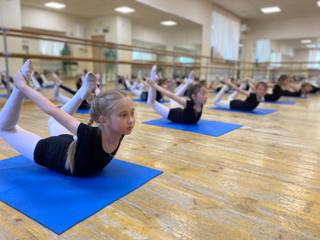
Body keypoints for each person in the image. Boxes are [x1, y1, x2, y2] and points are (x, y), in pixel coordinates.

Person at [0, 59, 135, 177]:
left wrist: (96, 90)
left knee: (53, 121)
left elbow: (105, 106)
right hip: (52, 151)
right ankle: (18, 89)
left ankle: (82, 92)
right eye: (124, 115)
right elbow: (51, 109)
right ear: (103, 120)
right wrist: (23, 86)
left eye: (132, 113)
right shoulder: (91, 134)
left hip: (70, 144)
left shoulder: (120, 129)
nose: (131, 120)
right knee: (5, 129)